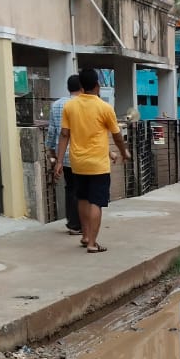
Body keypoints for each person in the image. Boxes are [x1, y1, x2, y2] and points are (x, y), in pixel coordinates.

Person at [54, 67, 128, 253]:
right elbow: (117, 136)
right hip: (98, 164)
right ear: (97, 85)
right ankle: (92, 243)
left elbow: (64, 135)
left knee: (82, 198)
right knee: (97, 201)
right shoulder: (104, 107)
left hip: (78, 163)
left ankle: (85, 235)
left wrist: (59, 161)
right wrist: (123, 151)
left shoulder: (70, 106)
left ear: (81, 85)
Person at [46, 74, 82, 235]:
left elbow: (52, 131)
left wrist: (52, 154)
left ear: (69, 88)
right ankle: (81, 224)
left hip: (63, 155)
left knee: (70, 187)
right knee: (82, 189)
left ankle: (72, 223)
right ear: (82, 87)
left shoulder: (57, 105)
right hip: (81, 153)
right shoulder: (83, 104)